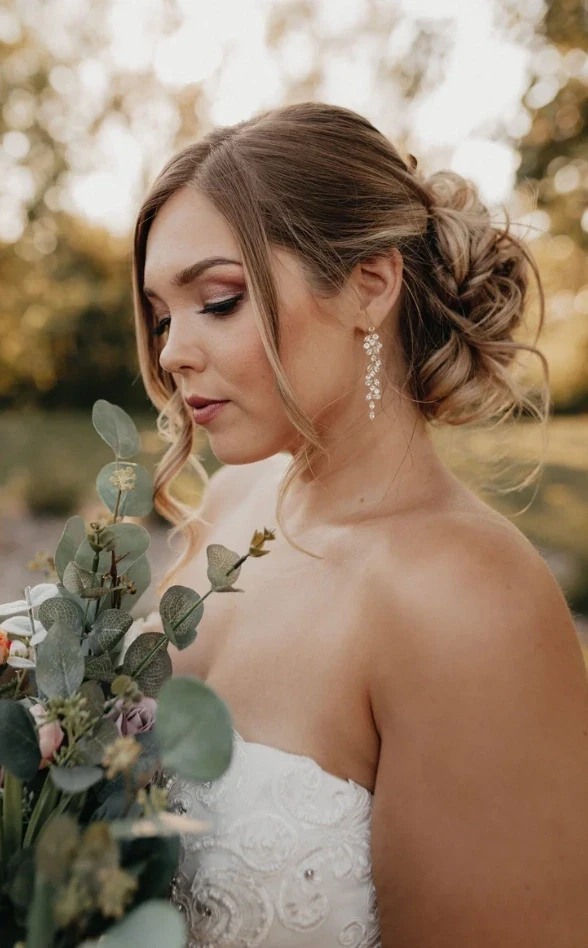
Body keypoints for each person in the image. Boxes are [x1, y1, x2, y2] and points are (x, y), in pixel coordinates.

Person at [131, 102, 588, 947]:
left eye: (219, 301)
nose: (170, 352)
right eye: (163, 314)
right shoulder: (233, 504)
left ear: (370, 286)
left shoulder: (467, 602)